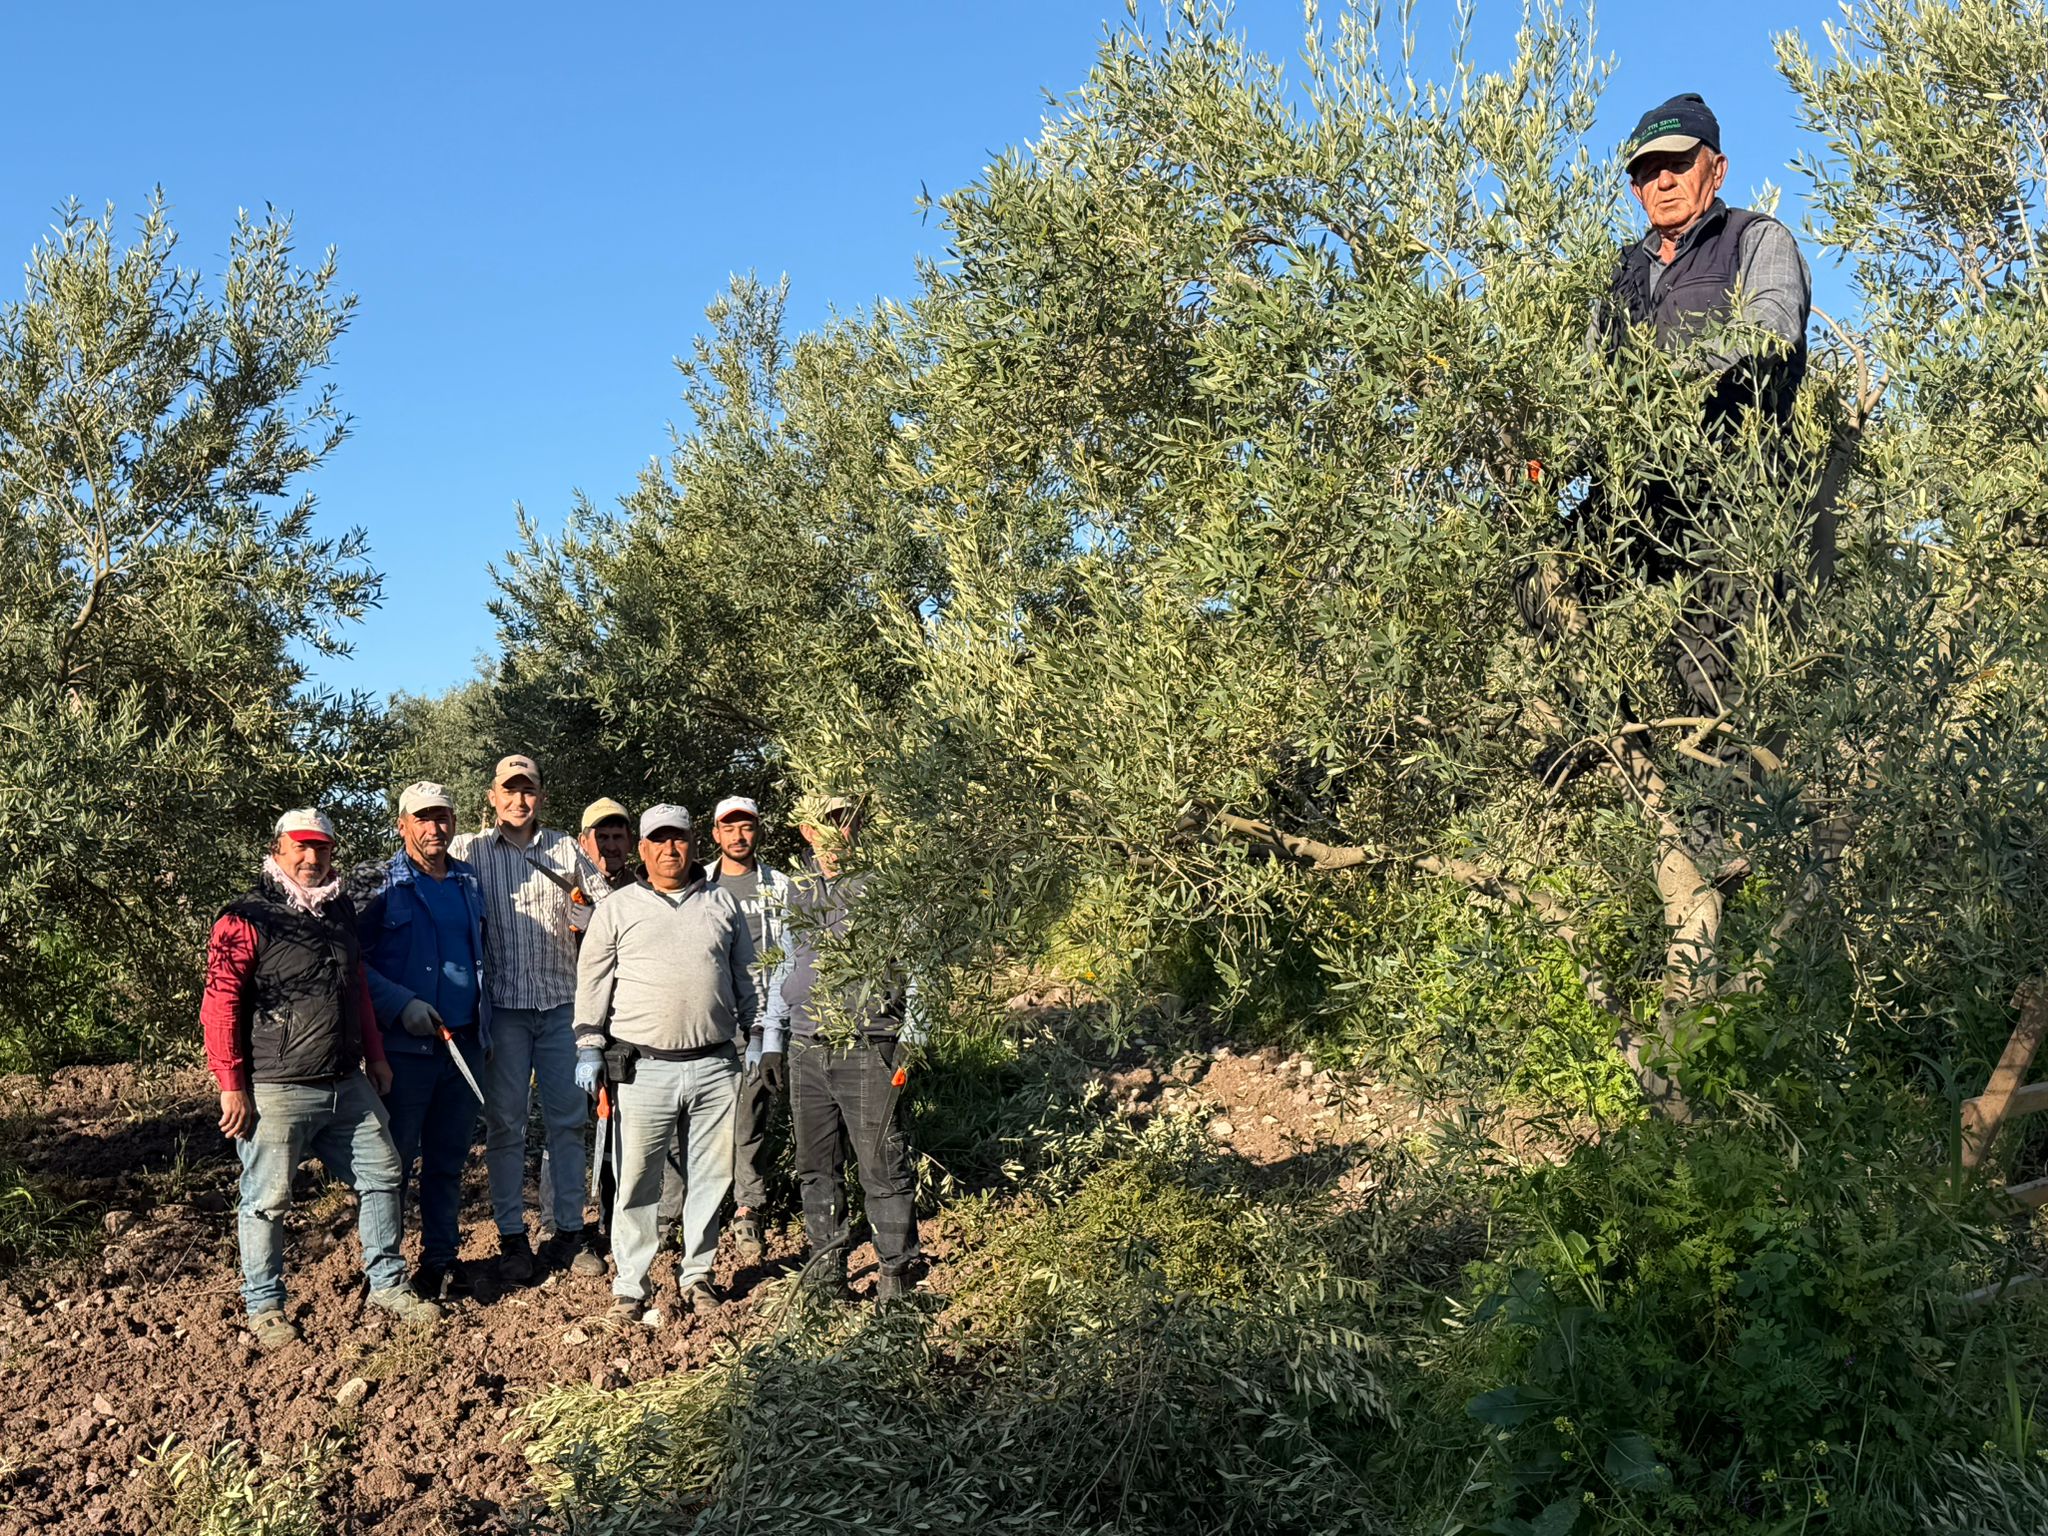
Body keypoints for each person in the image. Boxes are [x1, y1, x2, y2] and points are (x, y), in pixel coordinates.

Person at [203, 809, 441, 1348]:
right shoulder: (245, 918)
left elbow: (356, 988)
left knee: (383, 1172)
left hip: (344, 1081)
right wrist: (231, 1082)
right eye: (301, 848)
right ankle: (265, 1306)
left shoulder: (336, 912)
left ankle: (387, 1284)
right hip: (274, 1086)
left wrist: (375, 1057)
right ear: (278, 850)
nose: (312, 858)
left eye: (322, 848)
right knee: (267, 1198)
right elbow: (220, 1003)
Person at [573, 804, 757, 1324]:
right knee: (636, 1178)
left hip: (716, 1064)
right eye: (659, 840)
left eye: (678, 839)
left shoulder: (720, 903)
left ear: (693, 843)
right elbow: (594, 981)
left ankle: (697, 1274)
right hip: (644, 1068)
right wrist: (588, 1042)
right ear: (643, 848)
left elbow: (745, 977)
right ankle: (631, 1282)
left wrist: (760, 1035)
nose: (669, 849)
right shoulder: (618, 907)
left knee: (711, 1176)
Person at [451, 754, 611, 1282]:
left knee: (567, 1123)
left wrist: (588, 914)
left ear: (541, 795)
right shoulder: (468, 851)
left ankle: (568, 1231)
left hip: (563, 1008)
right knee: (506, 1126)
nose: (520, 800)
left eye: (529, 790)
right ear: (493, 796)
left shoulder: (566, 848)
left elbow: (609, 912)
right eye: (510, 790)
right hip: (504, 1011)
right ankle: (512, 1236)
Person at [767, 795, 925, 1303]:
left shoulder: (887, 885)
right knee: (816, 1166)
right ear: (807, 832)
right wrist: (773, 1038)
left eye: (844, 821)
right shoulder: (797, 890)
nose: (836, 832)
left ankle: (896, 1275)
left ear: (856, 826)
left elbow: (922, 965)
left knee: (882, 1164)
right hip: (807, 1047)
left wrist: (913, 1039)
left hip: (868, 1044)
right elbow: (783, 964)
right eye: (824, 823)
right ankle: (827, 1274)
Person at [355, 782, 492, 1301]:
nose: (434, 828)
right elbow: (351, 962)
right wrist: (399, 1004)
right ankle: (383, 1273)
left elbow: (481, 955)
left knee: (448, 1159)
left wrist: (486, 1028)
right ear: (403, 825)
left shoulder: (468, 881)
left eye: (443, 818)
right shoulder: (376, 883)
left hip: (462, 1048)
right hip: (403, 1052)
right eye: (423, 818)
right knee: (391, 1164)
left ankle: (439, 1259)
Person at [697, 795, 794, 1266]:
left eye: (747, 827)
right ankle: (701, 1208)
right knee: (707, 1118)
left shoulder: (783, 886)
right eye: (729, 828)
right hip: (713, 1019)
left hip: (765, 1021)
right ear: (715, 834)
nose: (738, 836)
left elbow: (794, 954)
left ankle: (747, 1207)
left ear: (758, 832)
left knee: (751, 1117)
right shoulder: (701, 885)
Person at [579, 798, 637, 889]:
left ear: (629, 841)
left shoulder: (643, 890)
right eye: (602, 837)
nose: (611, 847)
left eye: (618, 837)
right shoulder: (573, 888)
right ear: (583, 842)